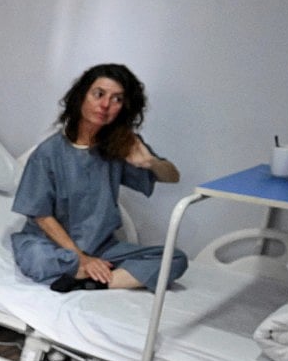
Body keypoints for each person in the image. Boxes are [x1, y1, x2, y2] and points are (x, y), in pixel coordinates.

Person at [10, 63, 187, 293]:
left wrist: (149, 163)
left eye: (117, 99)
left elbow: (172, 176)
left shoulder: (119, 147)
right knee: (36, 257)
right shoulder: (49, 153)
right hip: (52, 245)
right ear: (82, 96)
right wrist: (82, 258)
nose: (105, 105)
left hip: (102, 248)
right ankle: (92, 273)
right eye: (99, 94)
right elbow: (42, 216)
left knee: (175, 259)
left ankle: (92, 281)